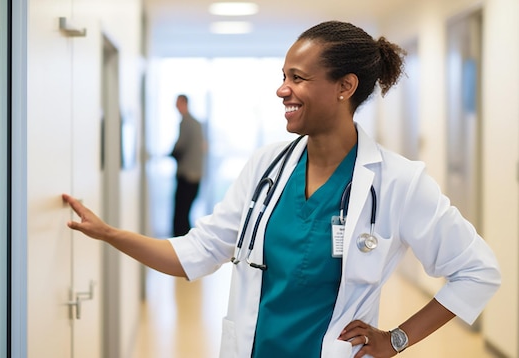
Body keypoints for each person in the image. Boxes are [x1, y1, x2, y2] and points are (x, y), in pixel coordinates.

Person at [62, 20, 500, 358]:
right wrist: (109, 234)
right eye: (283, 75)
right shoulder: (266, 167)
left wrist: (397, 339)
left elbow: (478, 270)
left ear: (345, 87)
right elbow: (197, 253)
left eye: (298, 77)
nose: (282, 89)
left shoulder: (399, 182)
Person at [170, 94, 205, 236]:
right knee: (185, 214)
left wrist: (170, 154)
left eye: (178, 103)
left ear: (184, 103)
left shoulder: (185, 122)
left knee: (180, 216)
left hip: (186, 176)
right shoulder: (197, 124)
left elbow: (180, 146)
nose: (176, 107)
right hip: (196, 177)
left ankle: (177, 249)